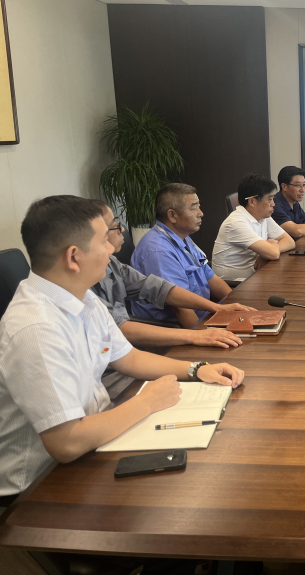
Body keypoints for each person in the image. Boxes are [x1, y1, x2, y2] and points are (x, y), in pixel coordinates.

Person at [0, 195, 245, 499]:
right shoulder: (36, 328)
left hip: (95, 442)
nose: (112, 248)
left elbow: (128, 358)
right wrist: (148, 402)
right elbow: (66, 443)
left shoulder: (82, 298)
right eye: (103, 240)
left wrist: (197, 369)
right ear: (74, 257)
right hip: (39, 487)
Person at [92, 201, 255, 349]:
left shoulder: (113, 263)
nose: (122, 229)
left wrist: (218, 308)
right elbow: (118, 329)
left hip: (196, 323)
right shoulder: (157, 250)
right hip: (161, 334)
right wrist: (197, 335)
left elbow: (160, 289)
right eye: (113, 227)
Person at [131, 183, 238, 327]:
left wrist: (239, 307)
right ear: (172, 215)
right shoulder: (159, 251)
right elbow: (180, 308)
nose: (200, 213)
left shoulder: (182, 237)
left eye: (199, 206)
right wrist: (205, 336)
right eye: (194, 208)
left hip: (204, 316)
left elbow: (211, 278)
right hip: (175, 328)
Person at [212, 174, 296, 280]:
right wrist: (271, 244)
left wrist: (266, 253)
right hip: (235, 284)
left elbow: (289, 241)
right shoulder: (236, 222)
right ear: (252, 201)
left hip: (255, 276)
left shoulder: (263, 216)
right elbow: (273, 253)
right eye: (270, 199)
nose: (273, 204)